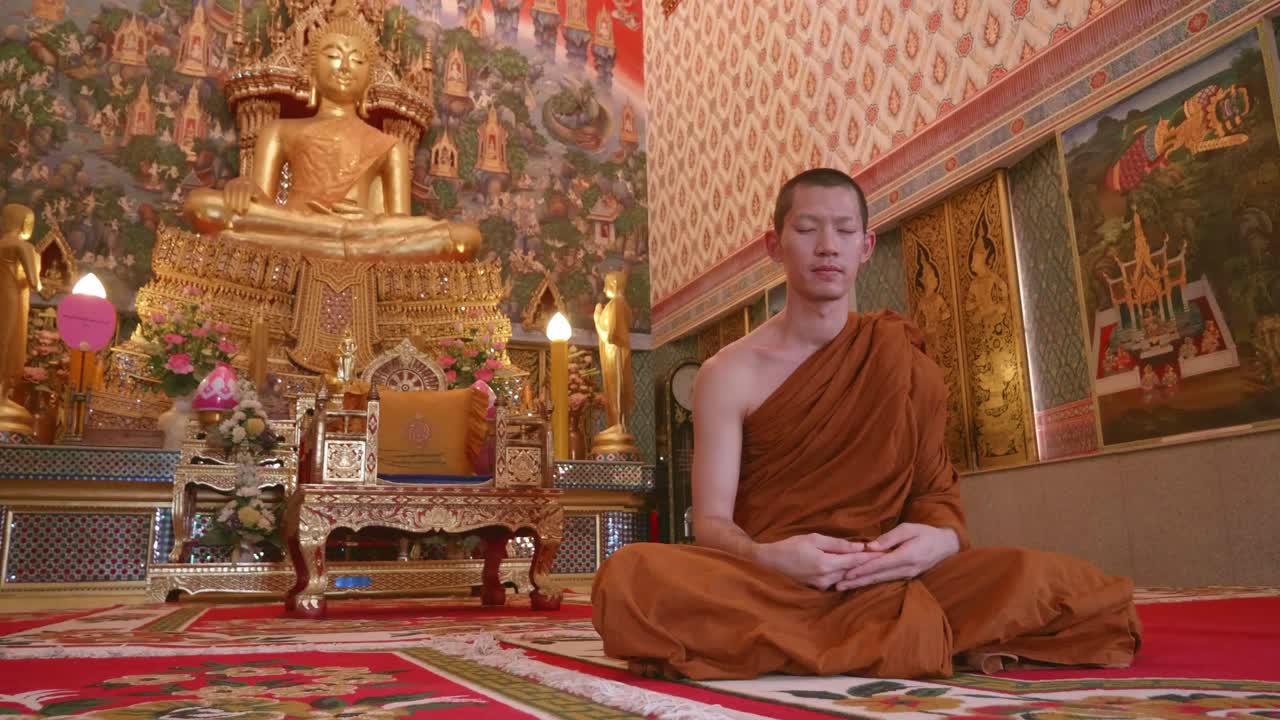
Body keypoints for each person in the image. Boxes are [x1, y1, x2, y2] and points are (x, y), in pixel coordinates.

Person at [591, 168, 1141, 680]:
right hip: (774, 579)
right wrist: (768, 556)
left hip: (887, 575)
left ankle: (824, 640)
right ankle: (907, 636)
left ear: (866, 248)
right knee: (631, 578)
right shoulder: (726, 373)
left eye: (844, 231)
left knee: (1068, 587)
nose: (827, 246)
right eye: (806, 229)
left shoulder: (902, 360)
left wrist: (941, 543)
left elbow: (936, 499)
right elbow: (711, 523)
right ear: (773, 247)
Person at [183, 0, 480, 261]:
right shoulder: (279, 131)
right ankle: (339, 241)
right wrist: (245, 188)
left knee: (466, 238)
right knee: (202, 205)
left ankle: (344, 239)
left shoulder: (391, 146)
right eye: (333, 55)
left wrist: (370, 222)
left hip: (365, 232)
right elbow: (264, 200)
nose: (345, 66)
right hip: (297, 225)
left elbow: (398, 222)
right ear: (311, 70)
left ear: (369, 80)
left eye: (358, 59)